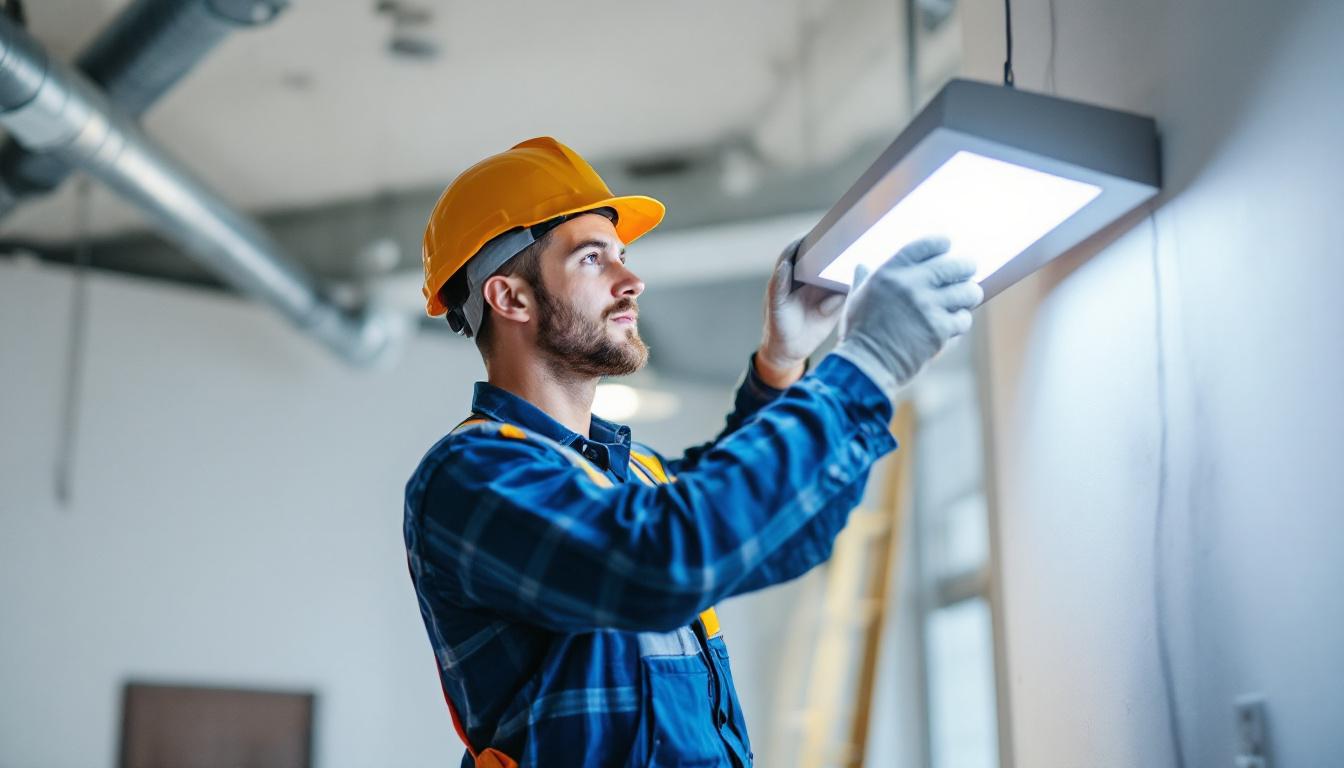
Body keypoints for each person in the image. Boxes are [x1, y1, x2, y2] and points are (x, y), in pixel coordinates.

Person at [404, 136, 982, 767]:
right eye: (594, 259)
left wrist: (781, 365)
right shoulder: (471, 476)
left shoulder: (633, 476)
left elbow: (770, 528)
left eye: (623, 256)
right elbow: (662, 560)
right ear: (509, 297)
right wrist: (867, 366)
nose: (632, 280)